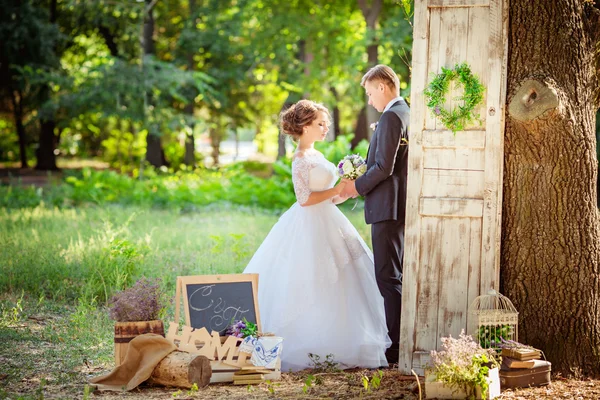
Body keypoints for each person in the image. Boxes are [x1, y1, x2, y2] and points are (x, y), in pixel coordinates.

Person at [243, 100, 391, 371]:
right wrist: (337, 189)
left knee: (346, 277)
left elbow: (329, 196)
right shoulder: (300, 159)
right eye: (320, 124)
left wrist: (344, 191)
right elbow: (304, 199)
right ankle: (309, 344)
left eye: (327, 124)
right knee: (313, 278)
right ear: (305, 126)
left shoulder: (317, 155)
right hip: (309, 225)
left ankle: (342, 340)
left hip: (329, 219)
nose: (326, 129)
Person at [340, 65, 410, 364]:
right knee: (393, 274)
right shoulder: (404, 112)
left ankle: (396, 346)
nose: (370, 101)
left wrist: (354, 187)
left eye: (370, 93)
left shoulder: (393, 117)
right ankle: (399, 340)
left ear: (383, 87)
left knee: (388, 276)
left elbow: (384, 166)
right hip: (393, 207)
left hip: (388, 208)